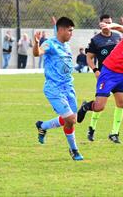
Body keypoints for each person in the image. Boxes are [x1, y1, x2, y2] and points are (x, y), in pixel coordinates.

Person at [33, 17, 83, 161]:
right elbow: (38, 53)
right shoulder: (50, 44)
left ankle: (43, 126)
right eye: (70, 30)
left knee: (71, 120)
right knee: (71, 119)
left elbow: (57, 27)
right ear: (61, 30)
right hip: (54, 88)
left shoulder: (66, 45)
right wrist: (36, 43)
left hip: (69, 88)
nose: (71, 34)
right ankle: (74, 150)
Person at [85, 14, 123, 143]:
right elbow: (89, 57)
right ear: (100, 24)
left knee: (121, 103)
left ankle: (114, 133)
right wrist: (95, 70)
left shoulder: (118, 37)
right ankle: (91, 128)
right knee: (100, 105)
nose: (108, 25)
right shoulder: (96, 40)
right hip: (105, 77)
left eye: (110, 22)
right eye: (105, 22)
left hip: (118, 75)